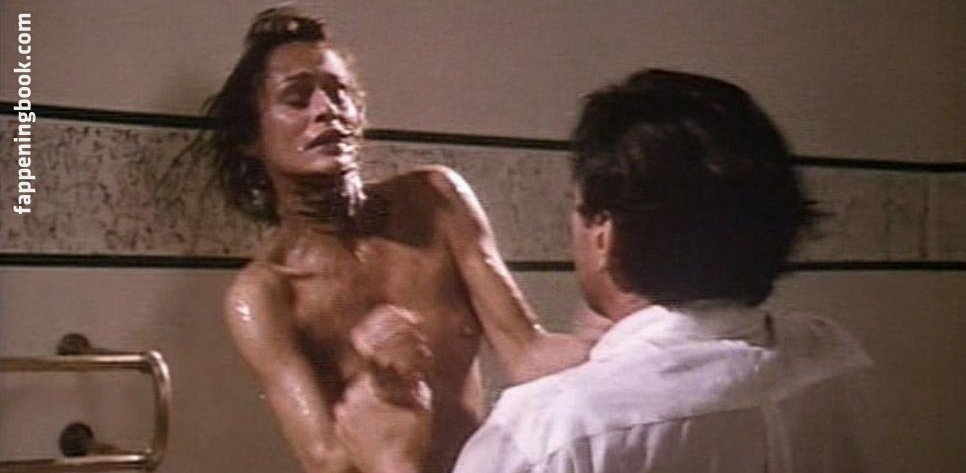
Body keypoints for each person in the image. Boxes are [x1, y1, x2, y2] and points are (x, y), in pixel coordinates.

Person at [334, 69, 876, 473]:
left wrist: (388, 460)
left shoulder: (549, 432)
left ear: (604, 235)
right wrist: (607, 355)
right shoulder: (829, 357)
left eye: (576, 207)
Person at [208, 7, 589, 473]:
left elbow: (528, 354)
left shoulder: (437, 200)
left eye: (338, 93)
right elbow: (326, 461)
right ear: (251, 136)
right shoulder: (263, 296)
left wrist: (634, 339)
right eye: (297, 98)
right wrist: (381, 388)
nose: (325, 110)